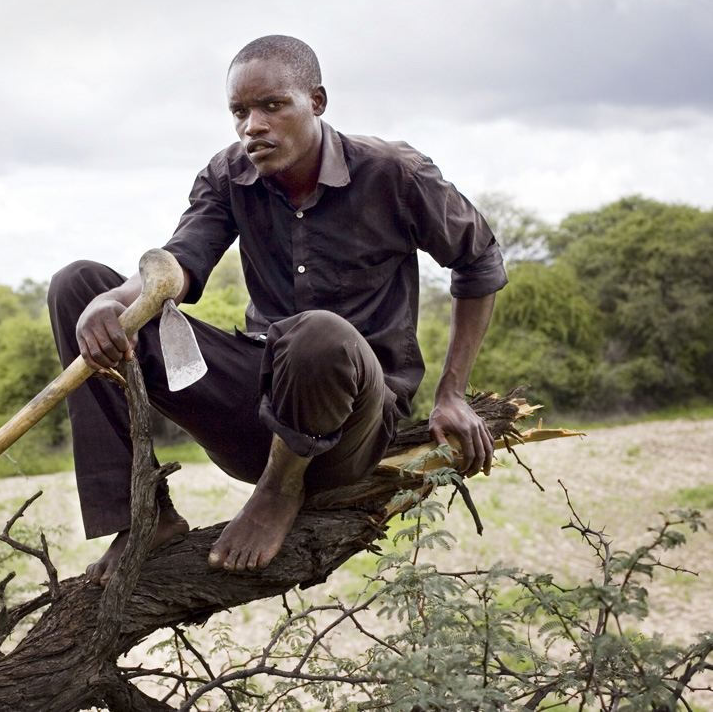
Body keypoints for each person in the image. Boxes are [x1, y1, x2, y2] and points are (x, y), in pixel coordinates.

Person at [47, 35, 507, 586]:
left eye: (272, 106)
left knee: (318, 334)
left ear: (316, 101)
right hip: (256, 410)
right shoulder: (229, 175)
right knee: (76, 284)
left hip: (350, 428)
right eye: (239, 112)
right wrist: (111, 301)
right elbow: (180, 265)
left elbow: (478, 259)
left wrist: (451, 393)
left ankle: (278, 491)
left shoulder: (394, 172)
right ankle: (142, 519)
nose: (252, 126)